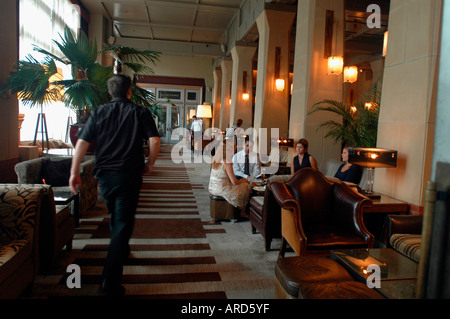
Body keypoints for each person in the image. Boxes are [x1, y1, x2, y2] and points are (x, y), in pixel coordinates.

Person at [69, 74, 160, 297]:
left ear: (110, 92)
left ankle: (122, 249)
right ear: (129, 91)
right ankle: (109, 283)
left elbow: (81, 142)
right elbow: (154, 141)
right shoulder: (140, 112)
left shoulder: (99, 112)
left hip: (105, 177)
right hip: (129, 175)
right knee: (122, 224)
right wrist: (150, 163)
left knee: (116, 216)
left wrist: (74, 171)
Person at [209, 141, 252, 218]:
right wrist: (244, 180)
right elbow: (234, 182)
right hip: (223, 190)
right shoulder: (227, 163)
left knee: (242, 184)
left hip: (213, 188)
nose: (234, 152)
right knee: (247, 186)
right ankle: (243, 211)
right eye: (234, 150)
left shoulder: (215, 160)